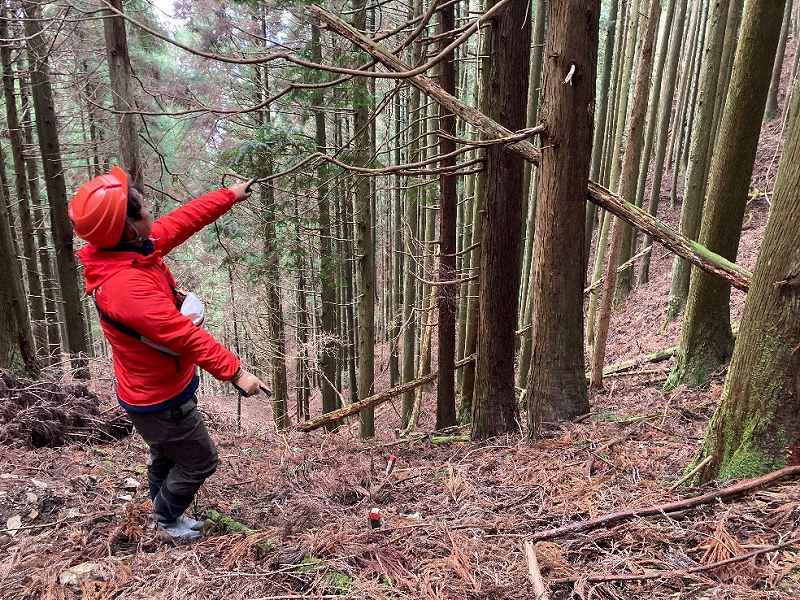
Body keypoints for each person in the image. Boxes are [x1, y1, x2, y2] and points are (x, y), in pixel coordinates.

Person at [69, 166, 266, 542]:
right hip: (160, 398)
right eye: (142, 207)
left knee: (165, 452)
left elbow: (181, 222)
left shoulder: (128, 251)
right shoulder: (126, 287)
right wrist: (236, 372)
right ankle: (165, 518)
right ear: (128, 227)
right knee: (200, 459)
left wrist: (229, 196)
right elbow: (183, 336)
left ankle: (158, 509)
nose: (150, 208)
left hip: (152, 390)